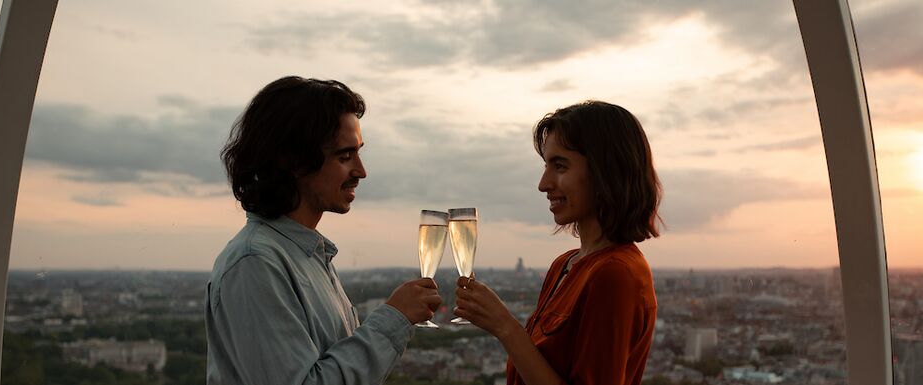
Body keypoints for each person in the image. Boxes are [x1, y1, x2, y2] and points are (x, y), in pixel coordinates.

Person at [206, 76, 443, 385]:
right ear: (293, 160)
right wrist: (393, 318)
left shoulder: (304, 257)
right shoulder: (255, 264)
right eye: (345, 156)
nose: (361, 171)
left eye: (358, 153)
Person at [454, 101, 661, 385]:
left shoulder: (616, 274)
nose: (543, 183)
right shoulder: (565, 265)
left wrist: (505, 326)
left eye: (560, 166)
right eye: (546, 166)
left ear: (605, 171)